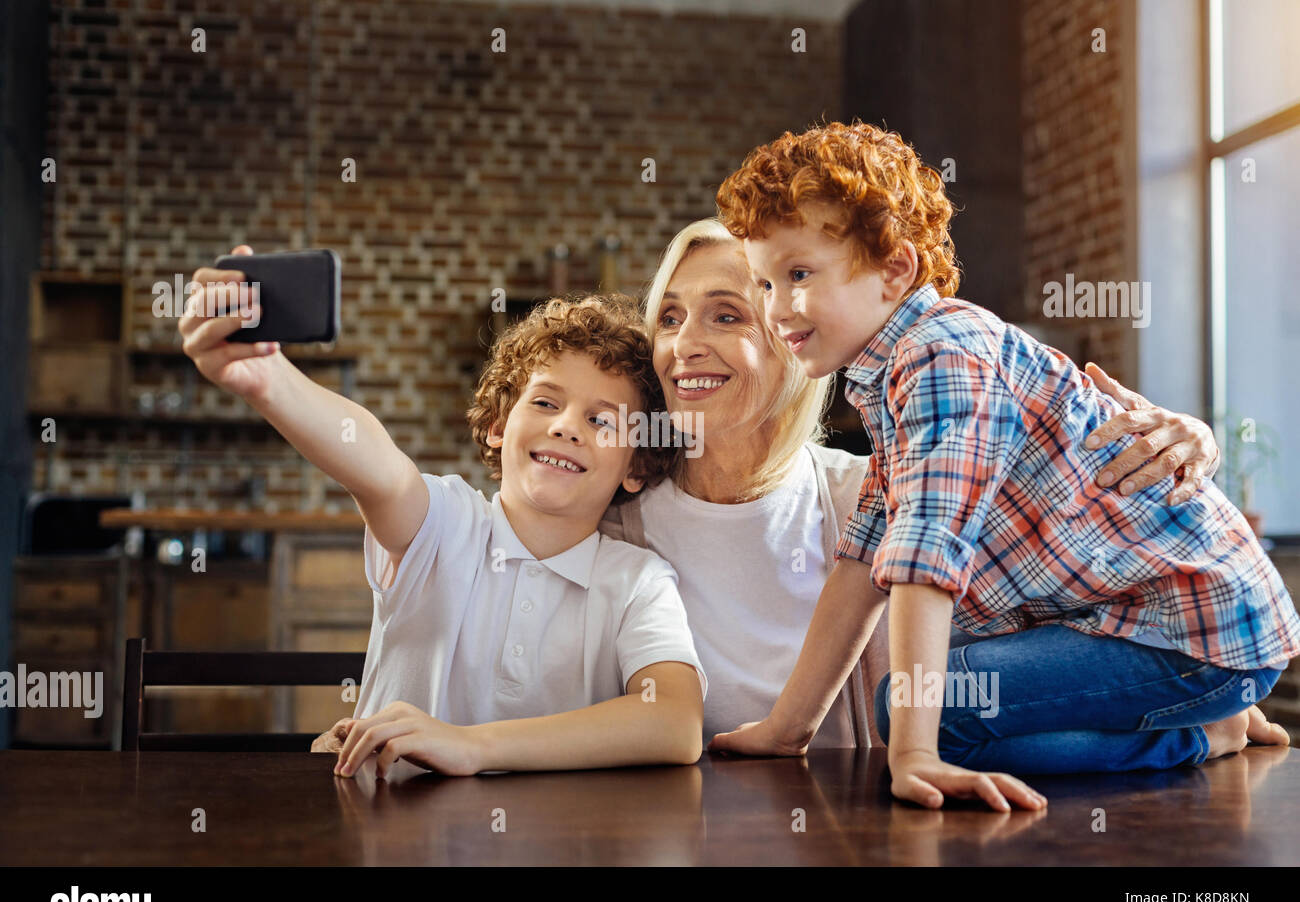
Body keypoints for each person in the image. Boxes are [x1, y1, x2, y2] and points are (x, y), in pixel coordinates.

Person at [714, 120, 1297, 810]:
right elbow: (864, 556)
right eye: (763, 283)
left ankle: (1203, 732)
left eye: (799, 274)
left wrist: (914, 753)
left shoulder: (940, 354)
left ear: (895, 269)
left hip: (1192, 635)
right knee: (929, 674)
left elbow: (927, 554)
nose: (777, 308)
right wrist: (790, 727)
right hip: (1138, 624)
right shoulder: (889, 372)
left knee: (915, 708)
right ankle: (1190, 713)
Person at [605, 217, 1226, 753]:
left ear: (792, 335)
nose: (684, 344)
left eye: (725, 315)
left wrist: (1181, 451)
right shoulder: (611, 519)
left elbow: (1070, 595)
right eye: (670, 316)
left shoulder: (874, 490)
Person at [178, 258, 706, 776]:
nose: (567, 427)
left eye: (600, 420)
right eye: (545, 403)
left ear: (636, 463)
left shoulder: (638, 582)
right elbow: (381, 469)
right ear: (500, 425)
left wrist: (471, 747)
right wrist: (270, 381)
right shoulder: (445, 525)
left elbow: (675, 721)